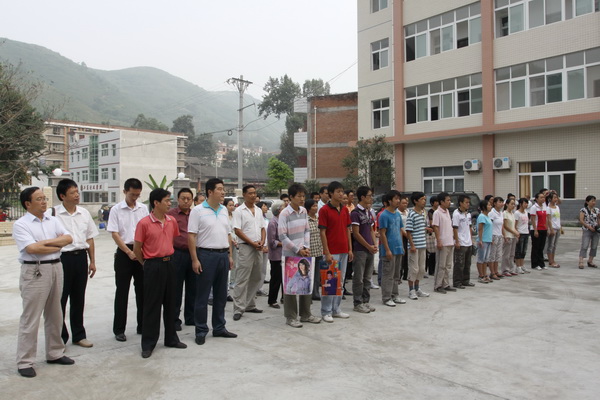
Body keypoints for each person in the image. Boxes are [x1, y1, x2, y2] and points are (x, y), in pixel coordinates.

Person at [12, 187, 74, 378]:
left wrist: (43, 244)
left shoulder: (52, 220)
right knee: (31, 317)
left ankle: (55, 353)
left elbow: (68, 238)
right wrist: (55, 244)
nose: (44, 202)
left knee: (55, 313)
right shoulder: (21, 224)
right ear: (27, 204)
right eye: (39, 199)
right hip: (35, 270)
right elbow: (31, 249)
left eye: (44, 198)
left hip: (56, 267)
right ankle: (25, 361)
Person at [133, 188, 187, 358]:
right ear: (156, 203)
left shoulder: (171, 221)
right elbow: (137, 248)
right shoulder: (144, 223)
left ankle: (171, 338)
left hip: (170, 263)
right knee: (152, 305)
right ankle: (148, 343)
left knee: (171, 303)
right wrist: (146, 263)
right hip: (152, 265)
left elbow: (171, 240)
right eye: (166, 201)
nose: (169, 203)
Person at [49, 179, 98, 348]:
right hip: (62, 259)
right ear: (62, 196)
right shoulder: (53, 214)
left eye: (77, 191)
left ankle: (79, 335)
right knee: (60, 300)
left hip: (80, 259)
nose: (77, 195)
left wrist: (92, 261)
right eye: (72, 193)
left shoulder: (84, 213)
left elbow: (89, 238)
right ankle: (60, 338)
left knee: (78, 298)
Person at [188, 178, 238, 345]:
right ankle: (201, 330)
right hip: (206, 256)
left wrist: (230, 255)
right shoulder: (198, 211)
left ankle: (219, 327)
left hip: (223, 255)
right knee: (202, 296)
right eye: (220, 189)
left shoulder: (224, 210)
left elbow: (228, 234)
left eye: (223, 189)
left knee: (221, 295)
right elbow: (191, 236)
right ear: (210, 192)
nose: (223, 192)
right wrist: (195, 259)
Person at [107, 178, 149, 342]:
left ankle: (142, 325)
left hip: (141, 252)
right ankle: (119, 329)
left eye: (137, 195)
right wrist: (128, 252)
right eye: (132, 194)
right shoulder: (116, 210)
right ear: (125, 192)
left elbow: (147, 231)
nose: (135, 198)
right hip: (124, 253)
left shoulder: (143, 208)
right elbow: (115, 233)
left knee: (142, 291)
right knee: (122, 292)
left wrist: (141, 252)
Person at [279, 183, 321, 327]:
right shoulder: (284, 214)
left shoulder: (303, 211)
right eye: (299, 196)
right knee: (290, 287)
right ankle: (291, 317)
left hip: (304, 252)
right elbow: (282, 236)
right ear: (291, 197)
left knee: (305, 284)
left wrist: (306, 247)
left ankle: (306, 314)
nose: (302, 199)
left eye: (303, 196)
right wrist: (297, 249)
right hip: (290, 255)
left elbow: (306, 230)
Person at [319, 181, 353, 322]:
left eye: (342, 191)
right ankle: (326, 311)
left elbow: (347, 230)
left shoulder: (344, 210)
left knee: (340, 281)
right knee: (330, 281)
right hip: (331, 251)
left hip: (344, 250)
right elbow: (322, 232)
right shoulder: (324, 210)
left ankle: (336, 309)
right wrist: (326, 252)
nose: (341, 194)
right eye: (338, 191)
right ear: (331, 193)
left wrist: (350, 249)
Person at [232, 185, 266, 321]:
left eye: (254, 193)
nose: (253, 195)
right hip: (246, 247)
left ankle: (250, 304)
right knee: (242, 278)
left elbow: (263, 228)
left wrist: (262, 241)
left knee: (256, 277)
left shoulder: (258, 210)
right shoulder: (239, 211)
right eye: (250, 193)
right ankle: (238, 308)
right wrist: (252, 243)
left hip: (258, 247)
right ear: (244, 195)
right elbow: (237, 230)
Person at [167, 188, 195, 331]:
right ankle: (174, 320)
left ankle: (190, 317)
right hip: (177, 254)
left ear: (192, 200)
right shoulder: (170, 215)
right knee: (175, 288)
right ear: (177, 199)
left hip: (193, 255)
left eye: (188, 199)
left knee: (193, 288)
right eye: (183, 198)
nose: (186, 201)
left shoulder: (195, 214)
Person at [350, 186, 377, 313]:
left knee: (367, 278)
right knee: (359, 278)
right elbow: (356, 234)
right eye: (369, 196)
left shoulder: (368, 212)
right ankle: (358, 303)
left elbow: (371, 230)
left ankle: (366, 301)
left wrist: (374, 244)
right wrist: (368, 246)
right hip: (360, 250)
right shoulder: (355, 213)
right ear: (362, 197)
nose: (371, 198)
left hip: (370, 249)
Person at [378, 190, 406, 306]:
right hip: (389, 250)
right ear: (390, 201)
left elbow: (400, 230)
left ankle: (395, 295)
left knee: (396, 274)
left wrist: (401, 246)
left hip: (398, 248)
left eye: (399, 198)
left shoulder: (398, 214)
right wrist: (387, 249)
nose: (398, 201)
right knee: (388, 275)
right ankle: (386, 297)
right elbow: (382, 233)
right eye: (396, 199)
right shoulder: (384, 215)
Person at [405, 192, 430, 300]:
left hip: (422, 245)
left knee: (421, 269)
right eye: (422, 199)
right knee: (413, 269)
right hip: (414, 246)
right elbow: (408, 231)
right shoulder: (411, 214)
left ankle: (417, 288)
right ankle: (411, 290)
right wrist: (412, 245)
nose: (424, 201)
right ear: (415, 201)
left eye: (425, 199)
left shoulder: (423, 213)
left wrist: (427, 229)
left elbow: (421, 227)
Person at [432, 192, 457, 293]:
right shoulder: (437, 213)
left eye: (450, 200)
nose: (449, 202)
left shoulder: (447, 212)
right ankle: (438, 285)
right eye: (448, 200)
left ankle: (446, 284)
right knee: (441, 265)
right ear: (441, 202)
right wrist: (439, 240)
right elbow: (436, 227)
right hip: (442, 243)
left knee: (448, 265)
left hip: (449, 242)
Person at [452, 194, 474, 289]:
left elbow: (469, 227)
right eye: (466, 202)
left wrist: (471, 239)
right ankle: (457, 282)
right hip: (461, 242)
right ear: (460, 203)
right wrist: (457, 241)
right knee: (459, 263)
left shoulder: (468, 214)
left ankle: (466, 280)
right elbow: (455, 228)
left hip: (468, 242)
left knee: (467, 263)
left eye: (469, 202)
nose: (468, 204)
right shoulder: (456, 214)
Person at [267, 200, 285, 309]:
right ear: (278, 210)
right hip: (276, 255)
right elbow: (272, 241)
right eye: (283, 208)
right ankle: (272, 300)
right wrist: (284, 243)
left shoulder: (283, 221)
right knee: (276, 278)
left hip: (284, 253)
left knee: (285, 278)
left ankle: (284, 297)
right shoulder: (273, 223)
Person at [305, 199, 323, 301]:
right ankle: (308, 294)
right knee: (308, 274)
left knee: (317, 274)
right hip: (309, 251)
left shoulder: (319, 219)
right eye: (313, 206)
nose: (316, 208)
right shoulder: (305, 220)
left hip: (319, 250)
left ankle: (315, 293)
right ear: (308, 208)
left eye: (316, 206)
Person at [578, 195, 599, 269]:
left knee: (594, 246)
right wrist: (589, 227)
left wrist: (598, 226)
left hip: (595, 230)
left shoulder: (597, 210)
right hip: (587, 230)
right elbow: (581, 220)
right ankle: (581, 261)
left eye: (594, 201)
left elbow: (598, 219)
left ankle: (590, 261)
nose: (594, 202)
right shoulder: (583, 210)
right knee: (585, 245)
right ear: (587, 202)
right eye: (592, 201)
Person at [501, 198, 519, 276]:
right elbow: (505, 226)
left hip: (513, 236)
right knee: (506, 254)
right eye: (511, 204)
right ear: (507, 204)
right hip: (508, 235)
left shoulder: (512, 213)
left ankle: (511, 268)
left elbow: (513, 225)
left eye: (514, 204)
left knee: (512, 254)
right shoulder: (505, 213)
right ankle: (505, 269)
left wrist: (516, 232)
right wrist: (513, 232)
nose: (513, 205)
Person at [530, 192, 548, 270]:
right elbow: (533, 219)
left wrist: (546, 228)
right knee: (536, 247)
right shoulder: (534, 207)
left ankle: (541, 263)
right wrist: (535, 230)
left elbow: (546, 218)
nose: (543, 199)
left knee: (541, 247)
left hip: (543, 229)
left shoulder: (544, 206)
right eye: (541, 197)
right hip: (537, 229)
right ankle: (535, 264)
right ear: (536, 199)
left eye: (543, 197)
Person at [224, 198, 238, 298]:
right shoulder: (224, 216)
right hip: (227, 242)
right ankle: (227, 283)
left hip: (235, 242)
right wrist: (231, 240)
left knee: (235, 263)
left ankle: (233, 281)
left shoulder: (234, 216)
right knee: (228, 263)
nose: (232, 207)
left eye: (233, 205)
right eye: (229, 205)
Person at [476, 200, 493, 283]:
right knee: (481, 258)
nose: (490, 206)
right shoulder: (482, 216)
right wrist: (480, 240)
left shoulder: (487, 216)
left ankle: (485, 274)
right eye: (488, 205)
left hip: (488, 240)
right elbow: (480, 229)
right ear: (484, 207)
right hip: (483, 240)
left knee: (486, 259)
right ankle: (481, 275)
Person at [488, 197, 505, 280]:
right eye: (499, 202)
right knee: (492, 255)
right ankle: (492, 272)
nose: (501, 204)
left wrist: (503, 235)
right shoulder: (492, 213)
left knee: (498, 255)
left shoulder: (501, 213)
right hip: (493, 235)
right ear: (494, 203)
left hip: (499, 235)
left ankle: (496, 271)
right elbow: (489, 225)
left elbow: (502, 225)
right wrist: (490, 237)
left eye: (502, 202)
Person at [514, 198, 531, 274]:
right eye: (525, 203)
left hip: (526, 232)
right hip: (520, 233)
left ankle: (522, 265)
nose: (526, 205)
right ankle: (518, 266)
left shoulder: (526, 212)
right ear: (520, 204)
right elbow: (515, 224)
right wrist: (516, 233)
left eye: (527, 203)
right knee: (518, 250)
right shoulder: (517, 213)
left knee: (524, 250)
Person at [546, 192, 562, 268]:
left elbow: (558, 218)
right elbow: (548, 219)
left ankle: (553, 259)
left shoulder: (557, 207)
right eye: (554, 197)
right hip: (552, 228)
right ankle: (550, 261)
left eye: (556, 197)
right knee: (550, 245)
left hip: (558, 228)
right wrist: (551, 229)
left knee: (555, 246)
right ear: (550, 199)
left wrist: (561, 227)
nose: (556, 199)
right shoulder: (548, 208)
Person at [425, 196, 439, 277]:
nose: (437, 203)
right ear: (432, 203)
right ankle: (431, 270)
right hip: (432, 233)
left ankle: (434, 269)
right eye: (436, 202)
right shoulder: (431, 212)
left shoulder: (439, 211)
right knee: (432, 253)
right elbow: (431, 223)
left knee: (436, 253)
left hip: (438, 233)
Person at [398, 195, 410, 281]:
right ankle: (399, 274)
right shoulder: (397, 213)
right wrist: (405, 234)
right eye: (403, 203)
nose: (405, 204)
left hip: (409, 236)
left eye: (406, 203)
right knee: (402, 255)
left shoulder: (408, 212)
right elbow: (399, 226)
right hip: (401, 236)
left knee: (408, 256)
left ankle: (406, 274)